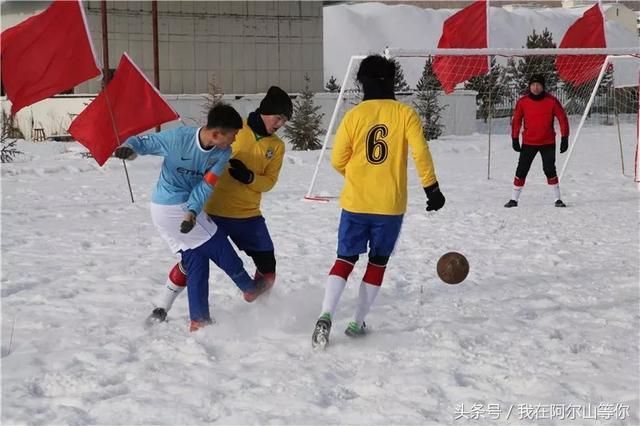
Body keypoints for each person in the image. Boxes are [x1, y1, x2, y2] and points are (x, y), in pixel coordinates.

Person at [311, 55, 446, 349]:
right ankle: (357, 322)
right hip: (389, 207)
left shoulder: (355, 115)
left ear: (363, 83)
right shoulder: (404, 113)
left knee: (344, 259)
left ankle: (325, 314)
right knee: (377, 263)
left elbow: (337, 159)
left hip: (355, 202)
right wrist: (432, 189)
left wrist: (356, 175)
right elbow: (420, 153)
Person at [115, 103, 265, 332]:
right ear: (216, 134)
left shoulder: (222, 153)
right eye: (233, 135)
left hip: (180, 208)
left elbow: (206, 186)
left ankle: (199, 318)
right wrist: (129, 147)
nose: (234, 140)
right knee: (218, 243)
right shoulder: (178, 138)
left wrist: (193, 211)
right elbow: (144, 143)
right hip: (168, 205)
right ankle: (249, 288)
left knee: (195, 258)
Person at [147, 86, 293, 322]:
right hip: (213, 211)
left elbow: (270, 182)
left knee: (268, 266)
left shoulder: (276, 146)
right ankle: (162, 306)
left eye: (285, 120)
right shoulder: (234, 129)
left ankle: (264, 314)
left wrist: (250, 178)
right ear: (266, 111)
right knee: (191, 261)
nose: (281, 124)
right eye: (279, 117)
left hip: (248, 215)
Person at [505, 73, 570, 208]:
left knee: (549, 169)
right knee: (521, 170)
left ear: (543, 87)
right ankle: (513, 199)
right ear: (530, 86)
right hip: (529, 142)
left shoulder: (552, 101)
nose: (535, 88)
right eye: (533, 85)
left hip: (548, 142)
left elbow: (562, 118)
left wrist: (565, 137)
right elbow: (516, 120)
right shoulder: (523, 102)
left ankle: (557, 199)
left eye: (538, 85)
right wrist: (515, 138)